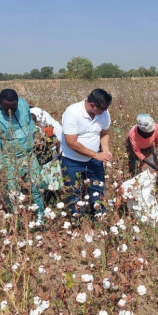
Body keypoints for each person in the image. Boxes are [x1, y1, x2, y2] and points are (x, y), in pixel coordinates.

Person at [0, 89, 45, 220]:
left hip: (30, 155)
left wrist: (35, 135)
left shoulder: (23, 104)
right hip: (10, 160)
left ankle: (40, 218)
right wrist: (2, 169)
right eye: (6, 108)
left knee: (36, 187)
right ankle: (17, 223)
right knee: (13, 193)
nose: (10, 111)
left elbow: (29, 121)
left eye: (13, 108)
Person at [61, 89, 112, 221]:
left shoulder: (104, 113)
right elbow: (71, 142)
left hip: (94, 161)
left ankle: (99, 221)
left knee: (97, 190)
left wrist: (105, 151)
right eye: (102, 109)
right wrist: (96, 155)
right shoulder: (73, 112)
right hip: (72, 161)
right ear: (92, 105)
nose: (104, 112)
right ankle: (78, 223)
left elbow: (104, 133)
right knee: (74, 192)